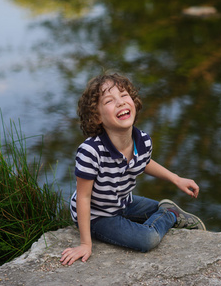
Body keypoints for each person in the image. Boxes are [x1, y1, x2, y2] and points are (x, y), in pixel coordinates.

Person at [60, 72, 205, 266]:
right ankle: (171, 215)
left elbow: (145, 163)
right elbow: (83, 197)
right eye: (110, 100)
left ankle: (166, 211)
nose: (120, 102)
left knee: (156, 207)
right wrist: (86, 244)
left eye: (124, 95)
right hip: (98, 215)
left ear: (134, 103)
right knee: (147, 239)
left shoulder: (142, 140)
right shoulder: (91, 151)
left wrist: (176, 179)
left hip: (124, 202)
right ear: (97, 117)